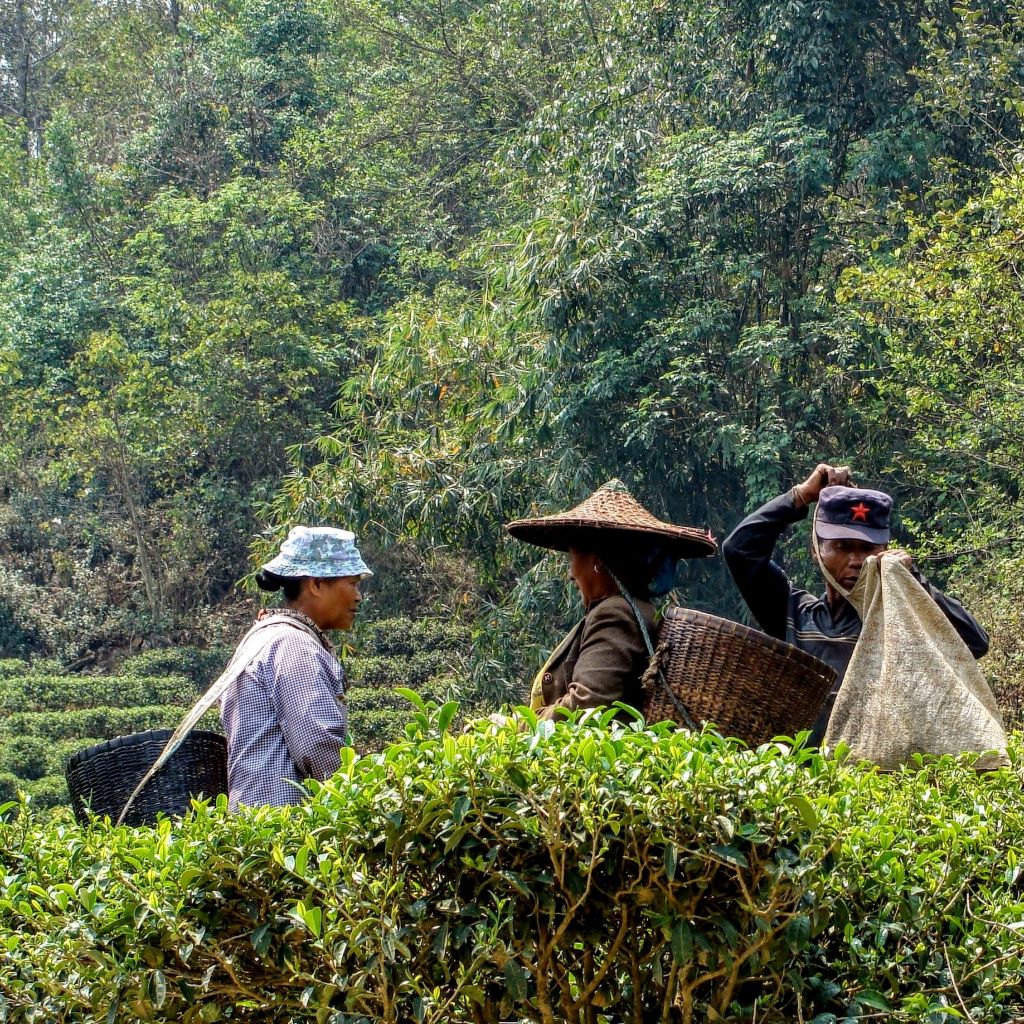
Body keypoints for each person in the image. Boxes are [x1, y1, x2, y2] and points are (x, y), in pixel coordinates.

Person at [722, 464, 989, 743]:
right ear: (817, 552)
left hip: (867, 782)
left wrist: (913, 581)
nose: (856, 561)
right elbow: (739, 551)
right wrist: (801, 495)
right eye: (842, 547)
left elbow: (975, 642)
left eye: (868, 549)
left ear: (885, 552)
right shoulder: (793, 614)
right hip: (798, 781)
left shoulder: (894, 623)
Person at [506, 480, 716, 720]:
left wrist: (519, 726)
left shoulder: (616, 614)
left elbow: (588, 703)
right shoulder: (632, 608)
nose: (570, 573)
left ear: (597, 561)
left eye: (573, 556)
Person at [220, 525, 372, 809]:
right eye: (352, 583)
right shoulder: (294, 645)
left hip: (256, 827)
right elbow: (318, 745)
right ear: (315, 584)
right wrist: (374, 797)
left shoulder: (266, 636)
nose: (358, 596)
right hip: (285, 830)